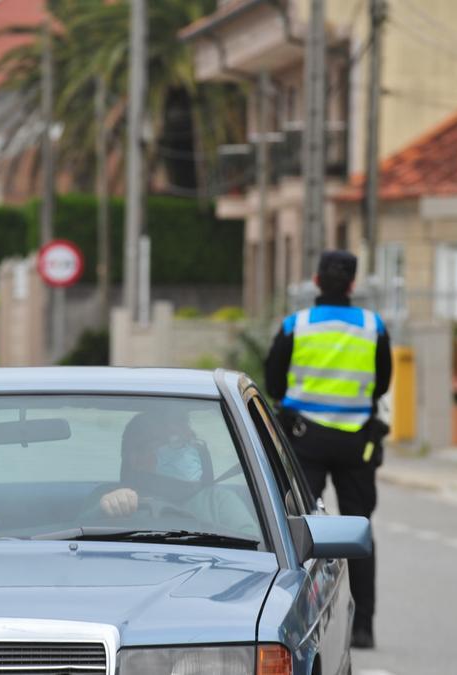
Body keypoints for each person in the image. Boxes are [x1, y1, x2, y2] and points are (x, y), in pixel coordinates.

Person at [263, 250, 392, 649]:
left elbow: (273, 381)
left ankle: (301, 622)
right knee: (358, 532)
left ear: (316, 281)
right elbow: (382, 383)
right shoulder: (374, 327)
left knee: (300, 534)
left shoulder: (295, 324)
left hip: (306, 442)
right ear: (352, 285)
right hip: (356, 442)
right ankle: (364, 628)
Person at [87, 410, 260, 538]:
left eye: (188, 442)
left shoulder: (219, 501)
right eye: (173, 443)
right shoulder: (109, 497)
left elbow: (254, 547)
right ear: (135, 457)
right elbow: (77, 535)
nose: (185, 450)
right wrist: (108, 508)